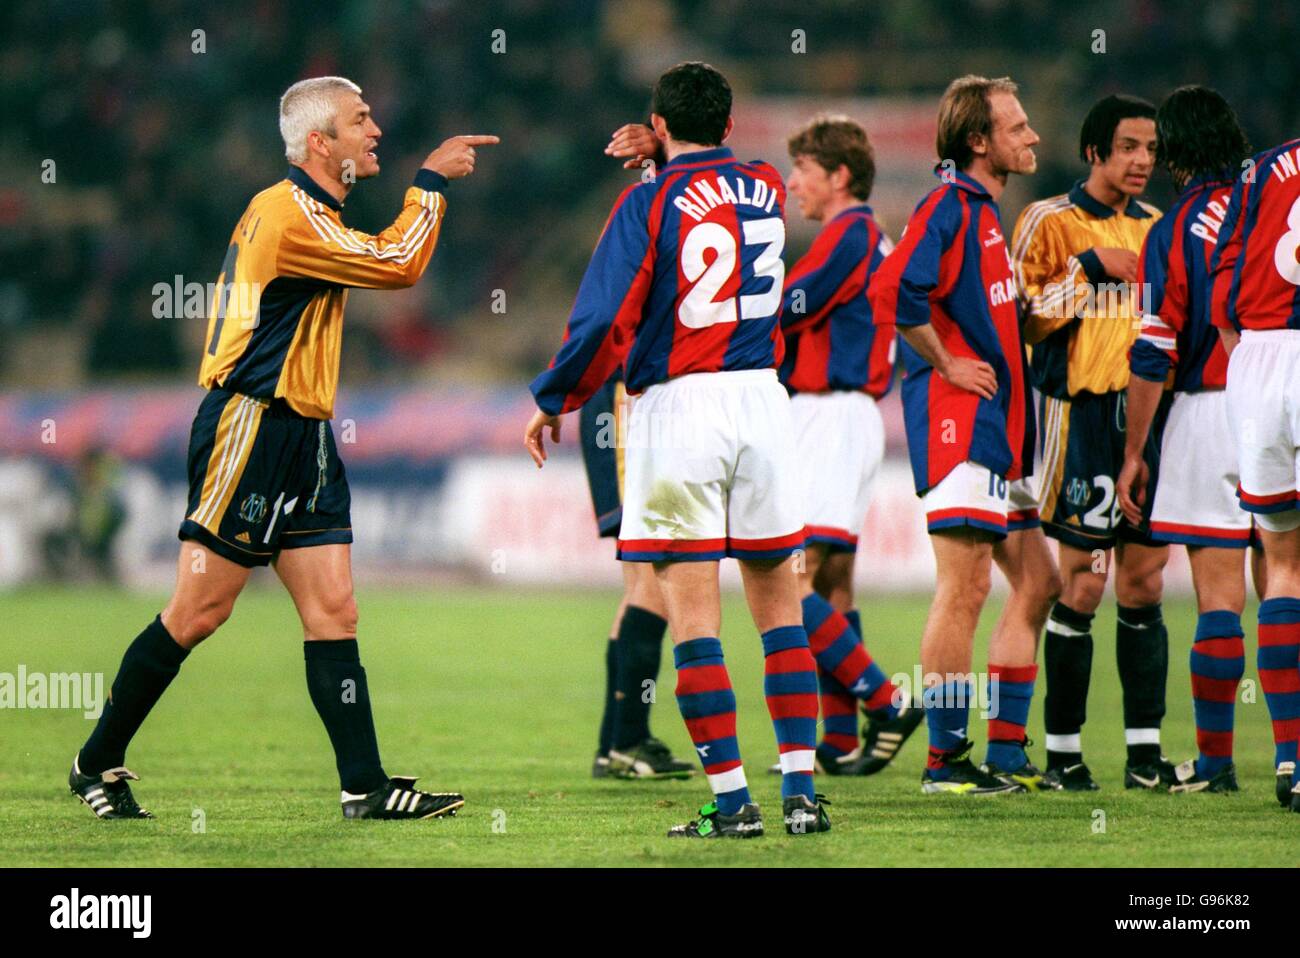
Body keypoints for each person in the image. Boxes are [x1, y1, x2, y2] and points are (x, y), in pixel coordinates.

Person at [68, 76, 496, 821]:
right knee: (199, 610)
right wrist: (429, 183)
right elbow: (398, 264)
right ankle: (96, 760)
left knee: (335, 609)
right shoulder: (285, 212)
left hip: (306, 433)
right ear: (319, 143)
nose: (375, 132)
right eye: (361, 120)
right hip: (253, 424)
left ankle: (364, 786)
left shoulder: (314, 212)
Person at [526, 62, 829, 838]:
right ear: (731, 126)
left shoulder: (645, 201)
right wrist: (666, 154)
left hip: (679, 406)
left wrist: (556, 396)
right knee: (782, 614)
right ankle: (802, 794)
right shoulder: (764, 182)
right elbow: (712, 190)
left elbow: (601, 319)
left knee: (694, 614)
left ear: (658, 127)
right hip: (764, 399)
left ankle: (732, 805)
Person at [605, 114, 924, 776]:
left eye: (804, 170)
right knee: (831, 580)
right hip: (848, 415)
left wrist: (726, 312)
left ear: (838, 177)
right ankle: (835, 741)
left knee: (791, 575)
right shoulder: (869, 235)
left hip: (828, 413)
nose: (792, 183)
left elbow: (789, 304)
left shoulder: (850, 232)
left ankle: (885, 699)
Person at [868, 75, 1049, 795]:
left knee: (1039, 580)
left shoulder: (984, 214)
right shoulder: (946, 206)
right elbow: (895, 293)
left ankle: (1005, 754)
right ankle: (946, 762)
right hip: (958, 417)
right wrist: (946, 360)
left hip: (998, 425)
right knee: (966, 585)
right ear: (979, 140)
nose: (1032, 135)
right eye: (1018, 125)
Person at [1116, 86, 1276, 796]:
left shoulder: (1173, 228)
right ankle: (1292, 758)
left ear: (1175, 152)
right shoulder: (1269, 202)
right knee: (1287, 588)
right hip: (1284, 398)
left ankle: (1215, 766)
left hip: (1210, 410)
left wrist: (1135, 451)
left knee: (1219, 601)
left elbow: (1153, 349)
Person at [1012, 94, 1172, 790]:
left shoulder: (1160, 229)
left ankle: (1143, 755)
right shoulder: (1047, 221)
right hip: (1078, 420)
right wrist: (1088, 270)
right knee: (1083, 581)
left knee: (1144, 581)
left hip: (1146, 421)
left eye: (1151, 149)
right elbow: (1024, 323)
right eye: (1129, 146)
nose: (1142, 160)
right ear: (1094, 152)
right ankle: (1064, 756)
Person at [1209, 133, 1300, 813]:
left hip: (1260, 359)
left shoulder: (1262, 167)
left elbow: (1226, 277)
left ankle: (1291, 759)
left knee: (1283, 565)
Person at [580, 371, 693, 780]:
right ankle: (626, 743)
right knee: (652, 583)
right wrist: (555, 391)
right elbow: (599, 321)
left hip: (629, 403)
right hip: (625, 403)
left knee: (640, 587)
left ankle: (617, 744)